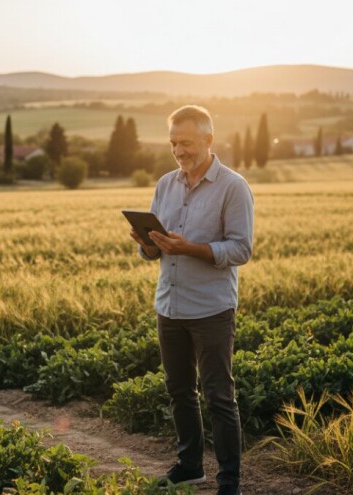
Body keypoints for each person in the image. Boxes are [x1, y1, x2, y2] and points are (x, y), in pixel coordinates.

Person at [130, 105, 254, 495]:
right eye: (173, 143)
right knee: (180, 392)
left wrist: (190, 249)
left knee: (220, 397)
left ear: (208, 139)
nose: (178, 151)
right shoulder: (165, 184)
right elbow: (154, 252)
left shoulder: (233, 187)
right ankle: (189, 467)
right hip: (169, 305)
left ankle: (229, 482)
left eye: (185, 143)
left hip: (211, 309)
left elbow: (241, 249)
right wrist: (148, 245)